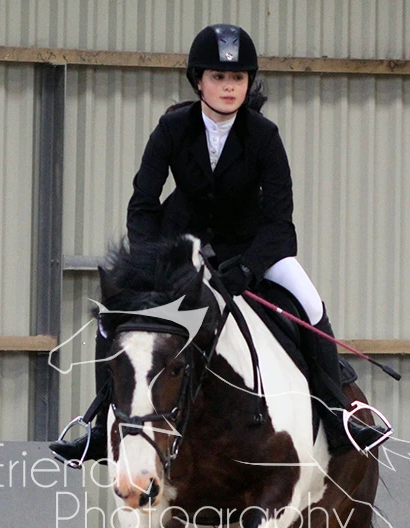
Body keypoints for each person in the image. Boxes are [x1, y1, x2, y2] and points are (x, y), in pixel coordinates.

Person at [50, 23, 391, 463]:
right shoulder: (172, 128)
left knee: (310, 303)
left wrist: (248, 269)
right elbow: (143, 204)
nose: (229, 87)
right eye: (218, 77)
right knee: (112, 314)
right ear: (199, 81)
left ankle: (336, 413)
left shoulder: (264, 135)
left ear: (248, 83)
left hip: (249, 248)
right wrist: (152, 259)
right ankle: (100, 428)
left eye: (237, 78)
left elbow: (280, 223)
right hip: (180, 247)